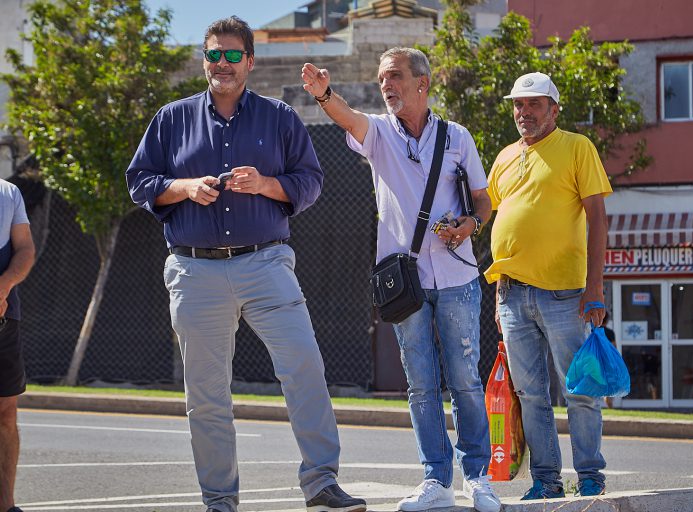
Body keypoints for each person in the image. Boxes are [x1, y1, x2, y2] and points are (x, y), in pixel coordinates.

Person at [126, 16, 365, 512]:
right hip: (195, 271)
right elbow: (140, 181)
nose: (222, 64)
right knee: (207, 395)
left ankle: (321, 483)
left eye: (232, 55)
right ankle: (220, 500)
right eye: (214, 54)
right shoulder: (171, 119)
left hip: (267, 264)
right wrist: (186, 188)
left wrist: (267, 185)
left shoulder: (279, 117)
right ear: (204, 60)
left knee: (304, 368)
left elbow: (311, 180)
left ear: (250, 62)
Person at [302, 48, 501, 512]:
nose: (386, 85)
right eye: (381, 79)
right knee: (421, 385)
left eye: (394, 77)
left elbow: (482, 198)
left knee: (466, 381)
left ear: (422, 84)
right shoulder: (380, 134)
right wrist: (324, 94)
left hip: (456, 276)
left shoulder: (457, 137)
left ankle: (478, 478)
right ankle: (436, 480)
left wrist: (469, 226)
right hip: (403, 281)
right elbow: (349, 119)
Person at [485, 72, 612, 500]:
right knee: (529, 393)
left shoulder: (577, 147)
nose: (524, 112)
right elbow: (500, 216)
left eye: (534, 104)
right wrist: (499, 296)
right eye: (518, 105)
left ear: (554, 109)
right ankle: (546, 480)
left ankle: (590, 476)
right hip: (512, 294)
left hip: (566, 294)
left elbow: (597, 218)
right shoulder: (503, 157)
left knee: (579, 390)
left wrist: (595, 287)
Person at [0, 178, 36, 512]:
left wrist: (4, 284)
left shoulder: (8, 192)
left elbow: (25, 249)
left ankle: (6, 505)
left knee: (6, 412)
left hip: (5, 317)